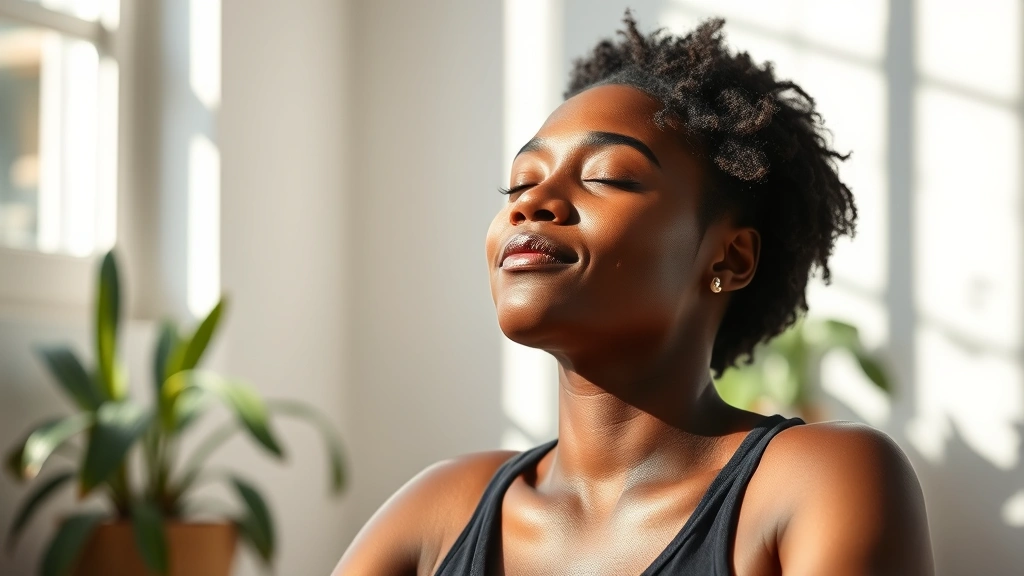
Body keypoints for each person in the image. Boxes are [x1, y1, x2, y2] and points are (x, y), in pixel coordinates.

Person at [334, 14, 933, 576]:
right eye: (520, 182)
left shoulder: (814, 482)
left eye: (607, 176)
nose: (528, 203)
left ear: (729, 257)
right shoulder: (441, 511)